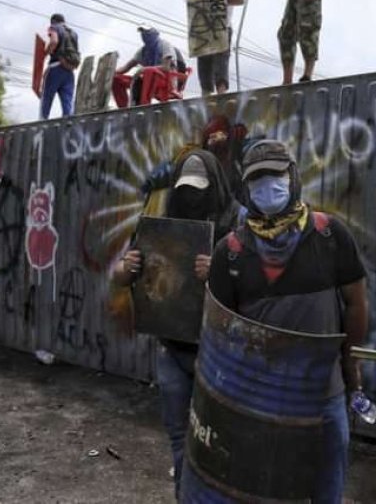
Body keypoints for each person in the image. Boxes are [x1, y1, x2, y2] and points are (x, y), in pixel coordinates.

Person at [208, 139, 368, 502]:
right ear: (245, 188)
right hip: (260, 400)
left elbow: (356, 304)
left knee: (327, 488)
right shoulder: (229, 253)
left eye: (275, 176)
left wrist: (350, 359)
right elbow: (221, 332)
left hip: (324, 394)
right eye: (257, 181)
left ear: (293, 177)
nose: (268, 187)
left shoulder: (330, 235)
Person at [111, 150, 241, 499]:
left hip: (216, 353)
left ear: (214, 184)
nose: (192, 196)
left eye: (199, 188)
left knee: (216, 442)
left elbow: (254, 294)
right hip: (172, 349)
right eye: (186, 188)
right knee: (178, 437)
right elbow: (121, 277)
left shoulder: (236, 226)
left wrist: (218, 271)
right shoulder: (162, 223)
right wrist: (129, 266)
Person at [196, 0, 245, 96]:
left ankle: (221, 95)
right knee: (204, 63)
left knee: (220, 62)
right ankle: (206, 97)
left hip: (222, 25)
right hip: (205, 26)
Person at [113, 26, 189, 107]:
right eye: (143, 34)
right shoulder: (143, 51)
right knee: (116, 79)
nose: (145, 36)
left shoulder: (165, 45)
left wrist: (143, 69)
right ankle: (123, 108)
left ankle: (143, 106)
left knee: (148, 71)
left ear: (155, 34)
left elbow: (166, 67)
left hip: (167, 80)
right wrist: (111, 72)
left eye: (147, 33)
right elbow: (126, 68)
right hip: (148, 81)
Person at [41, 13, 79, 119]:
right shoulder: (73, 33)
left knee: (46, 99)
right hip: (69, 70)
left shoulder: (54, 27)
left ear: (53, 21)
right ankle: (68, 128)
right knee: (67, 103)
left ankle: (41, 127)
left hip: (56, 67)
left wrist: (45, 53)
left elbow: (54, 41)